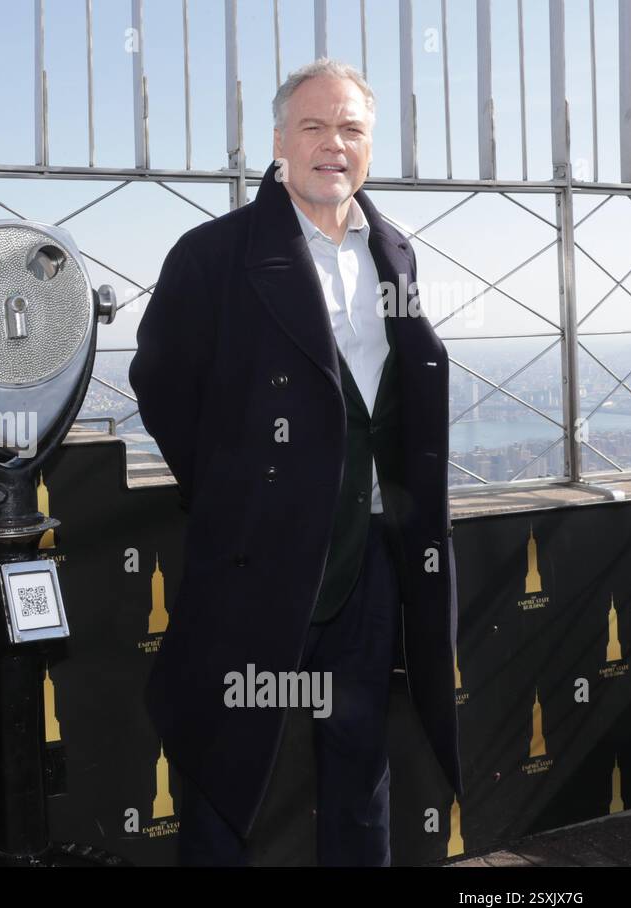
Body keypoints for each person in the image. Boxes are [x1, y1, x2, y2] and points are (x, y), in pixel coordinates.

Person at [129, 58, 462, 866]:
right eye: (313, 127)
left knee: (361, 766)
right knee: (222, 767)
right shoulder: (212, 254)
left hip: (372, 564)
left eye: (350, 129)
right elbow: (162, 383)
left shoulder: (396, 255)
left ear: (371, 146)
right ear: (278, 141)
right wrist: (239, 494)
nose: (332, 145)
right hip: (258, 564)